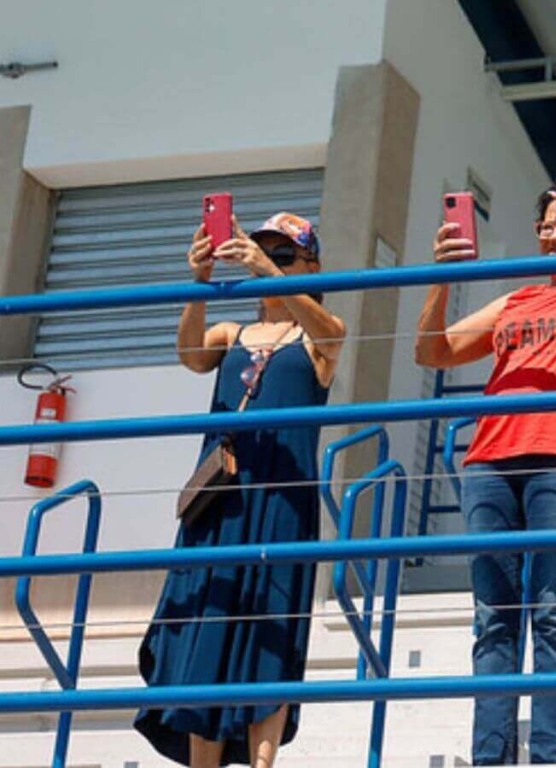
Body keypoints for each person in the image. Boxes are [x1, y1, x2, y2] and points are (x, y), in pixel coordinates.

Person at [415, 179, 556, 765]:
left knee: (551, 614)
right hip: (490, 462)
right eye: (547, 224)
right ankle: (490, 756)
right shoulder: (517, 300)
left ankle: (550, 758)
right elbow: (434, 351)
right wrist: (440, 279)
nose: (554, 234)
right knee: (493, 619)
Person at [136, 213, 345, 767]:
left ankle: (263, 761)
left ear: (310, 266)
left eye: (283, 256)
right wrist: (200, 280)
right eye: (262, 252)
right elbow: (190, 354)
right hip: (221, 498)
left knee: (270, 626)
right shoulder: (231, 334)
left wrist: (266, 274)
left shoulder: (319, 333)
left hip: (281, 499)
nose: (268, 262)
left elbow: (333, 335)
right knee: (208, 622)